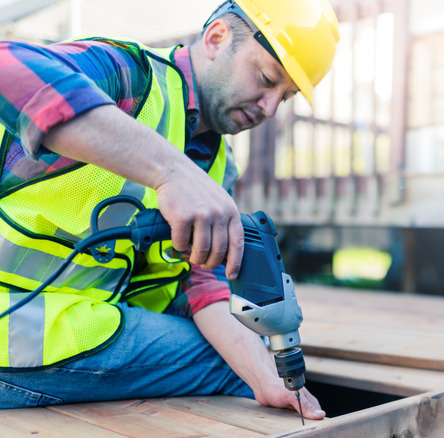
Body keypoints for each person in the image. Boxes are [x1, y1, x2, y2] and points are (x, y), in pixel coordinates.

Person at [0, 0, 339, 420]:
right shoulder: (129, 77)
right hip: (17, 326)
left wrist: (264, 378)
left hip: (69, 321)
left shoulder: (217, 166)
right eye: (267, 78)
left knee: (252, 366)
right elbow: (5, 64)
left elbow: (204, 282)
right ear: (217, 38)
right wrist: (171, 171)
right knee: (224, 366)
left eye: (284, 98)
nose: (269, 108)